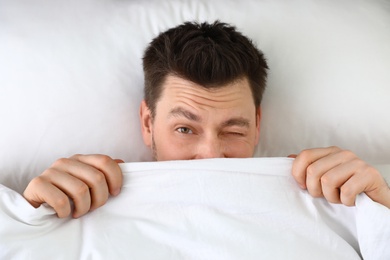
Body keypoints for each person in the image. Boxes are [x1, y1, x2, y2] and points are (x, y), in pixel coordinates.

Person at [23, 21, 390, 218]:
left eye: (233, 130)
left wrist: (382, 206)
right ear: (148, 123)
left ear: (258, 125)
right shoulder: (80, 207)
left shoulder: (328, 204)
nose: (211, 153)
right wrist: (28, 219)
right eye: (184, 129)